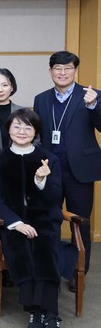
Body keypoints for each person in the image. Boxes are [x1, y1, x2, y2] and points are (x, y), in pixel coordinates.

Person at [0, 109, 64, 328]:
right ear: (8, 130)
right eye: (17, 126)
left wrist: (41, 180)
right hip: (14, 222)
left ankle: (50, 314)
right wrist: (16, 223)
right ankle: (35, 312)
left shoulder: (49, 159)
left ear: (36, 132)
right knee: (23, 251)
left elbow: (55, 198)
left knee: (47, 251)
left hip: (45, 220)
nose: (22, 131)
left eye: (28, 127)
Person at [33, 51, 101, 283]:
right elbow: (37, 134)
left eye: (68, 68)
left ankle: (78, 273)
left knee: (80, 223)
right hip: (50, 170)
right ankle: (51, 267)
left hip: (79, 170)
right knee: (48, 220)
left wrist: (94, 106)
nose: (62, 73)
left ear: (75, 70)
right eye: (58, 68)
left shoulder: (91, 95)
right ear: (50, 71)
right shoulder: (41, 99)